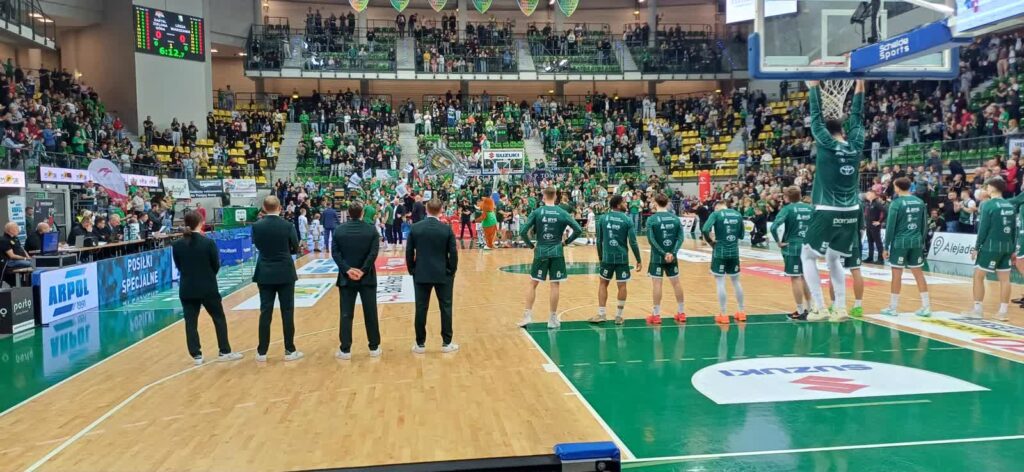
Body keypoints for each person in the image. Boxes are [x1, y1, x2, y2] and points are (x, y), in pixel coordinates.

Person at [800, 79, 866, 322]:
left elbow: (816, 119)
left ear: (824, 135)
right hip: (852, 210)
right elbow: (858, 118)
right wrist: (860, 86)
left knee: (807, 255)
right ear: (844, 132)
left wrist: (813, 88)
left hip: (827, 208)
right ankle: (840, 308)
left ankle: (819, 307)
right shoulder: (856, 145)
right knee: (834, 258)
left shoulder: (826, 144)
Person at [172, 211, 243, 365]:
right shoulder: (208, 243)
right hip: (207, 287)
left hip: (187, 288)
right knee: (218, 318)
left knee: (190, 322)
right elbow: (215, 265)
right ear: (201, 222)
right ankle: (224, 351)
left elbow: (179, 266)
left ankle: (196, 355)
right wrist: (208, 276)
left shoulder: (177, 245)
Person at [518, 187, 583, 328]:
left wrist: (531, 246)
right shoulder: (562, 212)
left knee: (533, 283)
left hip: (541, 251)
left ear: (543, 196)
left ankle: (527, 316)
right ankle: (552, 319)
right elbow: (578, 229)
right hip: (557, 252)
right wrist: (565, 242)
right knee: (555, 284)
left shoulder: (537, 212)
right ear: (555, 197)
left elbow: (522, 231)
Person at [252, 196, 303, 362]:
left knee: (265, 312)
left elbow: (257, 244)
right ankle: (290, 349)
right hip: (285, 271)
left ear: (264, 208)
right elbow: (295, 247)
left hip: (264, 272)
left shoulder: (257, 226)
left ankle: (262, 352)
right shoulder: (287, 225)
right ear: (280, 207)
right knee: (287, 311)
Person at [406, 199, 460, 353]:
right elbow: (453, 253)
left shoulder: (415, 228)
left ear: (426, 209)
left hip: (421, 273)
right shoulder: (446, 229)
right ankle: (447, 343)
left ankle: (420, 344)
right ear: (441, 210)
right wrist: (451, 271)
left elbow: (409, 251)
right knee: (446, 308)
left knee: (421, 308)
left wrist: (412, 269)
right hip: (443, 273)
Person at [331, 202, 382, 359]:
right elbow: (373, 253)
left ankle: (345, 349)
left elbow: (335, 253)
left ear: (348, 213)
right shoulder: (371, 230)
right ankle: (374, 347)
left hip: (346, 278)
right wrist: (363, 270)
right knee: (371, 313)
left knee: (346, 314)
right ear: (362, 213)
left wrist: (347, 269)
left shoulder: (339, 230)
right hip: (367, 277)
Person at [966, 177, 1016, 321]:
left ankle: (977, 310)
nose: (986, 188)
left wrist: (977, 247)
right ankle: (1003, 312)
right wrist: (1013, 249)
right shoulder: (1010, 205)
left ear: (993, 188)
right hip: (1007, 246)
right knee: (1005, 279)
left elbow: (983, 228)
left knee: (978, 276)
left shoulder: (987, 204)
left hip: (991, 246)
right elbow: (1013, 229)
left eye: (987, 186)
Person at [881, 177, 931, 317]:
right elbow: (924, 225)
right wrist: (921, 241)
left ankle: (893, 308)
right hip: (916, 241)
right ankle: (926, 306)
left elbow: (890, 226)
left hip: (900, 242)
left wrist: (886, 246)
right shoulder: (919, 202)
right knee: (919, 274)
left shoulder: (896, 203)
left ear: (897, 187)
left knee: (897, 274)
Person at [589, 195, 642, 325]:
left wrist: (601, 257)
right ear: (618, 205)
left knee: (603, 284)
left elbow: (599, 241)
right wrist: (638, 259)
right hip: (622, 258)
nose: (626, 204)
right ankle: (618, 316)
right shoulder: (627, 220)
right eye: (624, 202)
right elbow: (633, 242)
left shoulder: (603, 218)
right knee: (622, 286)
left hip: (607, 258)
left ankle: (602, 314)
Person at [770, 186, 813, 320]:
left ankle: (800, 310)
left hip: (793, 246)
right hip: (808, 246)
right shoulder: (811, 208)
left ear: (787, 197)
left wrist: (778, 241)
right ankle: (810, 308)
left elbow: (774, 227)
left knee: (796, 278)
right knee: (805, 277)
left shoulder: (787, 209)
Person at [702, 201, 746, 324]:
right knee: (736, 281)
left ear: (717, 207)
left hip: (720, 251)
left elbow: (705, 229)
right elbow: (742, 235)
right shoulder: (737, 214)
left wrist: (710, 241)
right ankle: (741, 312)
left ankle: (724, 314)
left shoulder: (716, 214)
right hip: (734, 252)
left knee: (720, 282)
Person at [645, 193, 686, 324]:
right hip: (672, 258)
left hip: (657, 258)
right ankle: (681, 313)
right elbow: (681, 238)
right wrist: (672, 253)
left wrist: (663, 253)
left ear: (655, 203)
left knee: (657, 284)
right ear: (667, 203)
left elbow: (651, 240)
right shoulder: (675, 218)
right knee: (676, 283)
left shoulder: (651, 219)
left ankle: (656, 315)